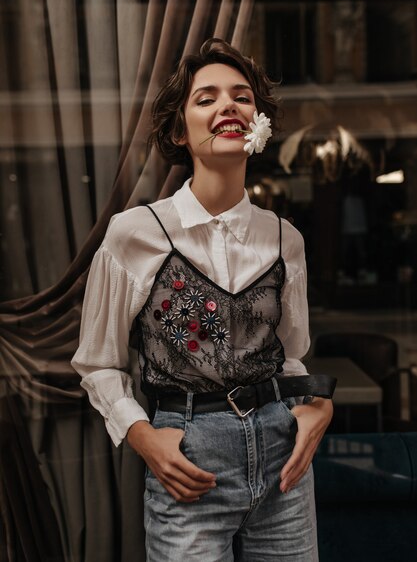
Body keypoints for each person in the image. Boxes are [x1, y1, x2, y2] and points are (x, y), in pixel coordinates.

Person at [72, 38, 335, 561]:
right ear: (179, 129)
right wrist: (144, 437)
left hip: (282, 462)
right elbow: (98, 362)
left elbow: (291, 355)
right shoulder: (136, 232)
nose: (228, 106)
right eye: (206, 98)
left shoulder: (286, 238)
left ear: (256, 123)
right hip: (190, 460)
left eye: (241, 96)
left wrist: (316, 404)